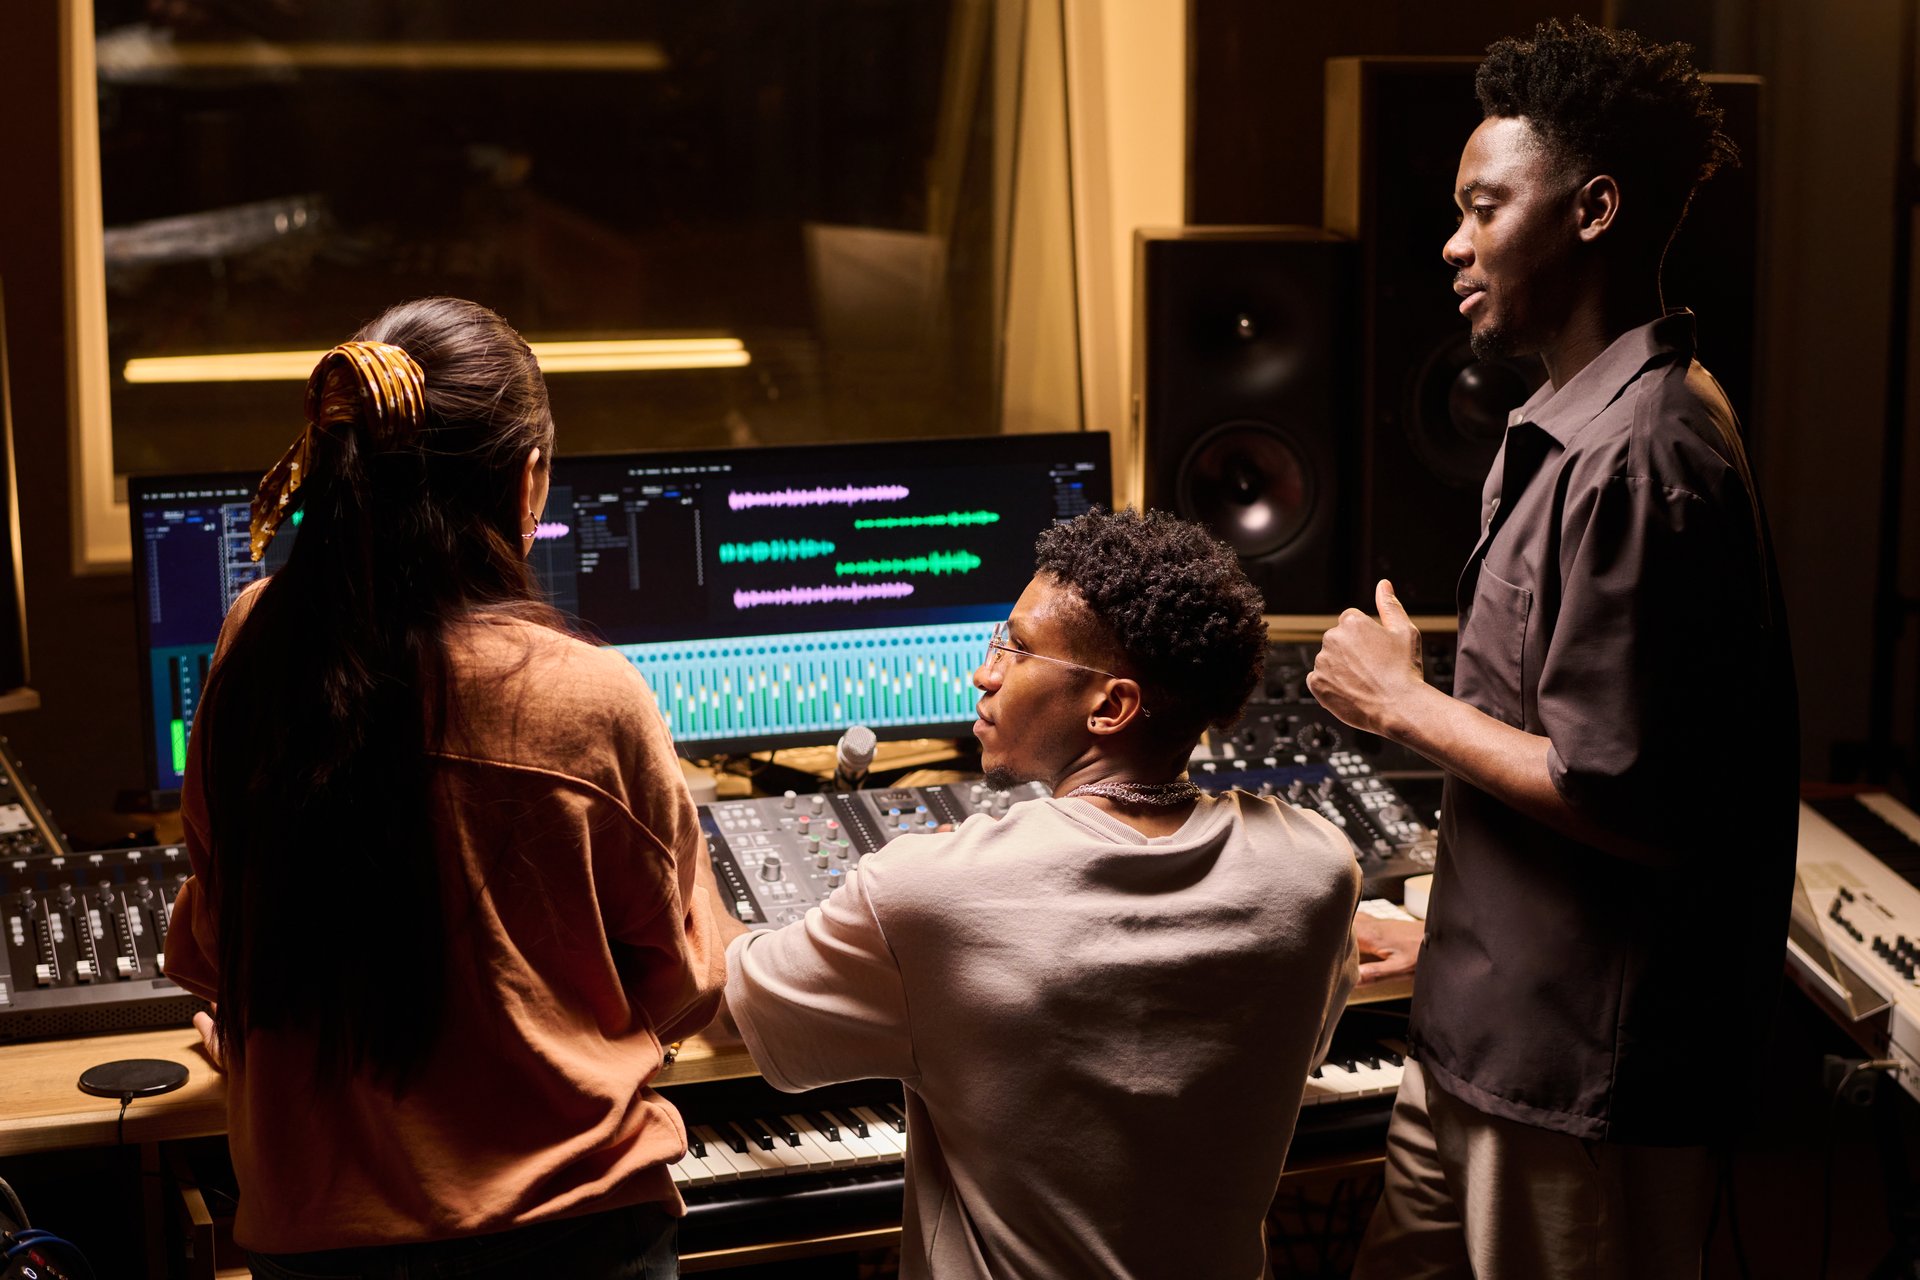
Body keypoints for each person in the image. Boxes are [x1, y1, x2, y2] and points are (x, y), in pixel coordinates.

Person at [1310, 20, 1798, 1279]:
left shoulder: (1645, 455)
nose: (1453, 243)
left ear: (1592, 210)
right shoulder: (1573, 423)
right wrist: (1453, 927)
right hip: (1478, 1023)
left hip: (1572, 1076)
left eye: (1484, 209)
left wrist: (1399, 703)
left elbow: (1628, 793)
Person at [164, 297, 740, 1278]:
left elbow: (217, 944)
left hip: (319, 1245)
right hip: (576, 1238)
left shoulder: (253, 644)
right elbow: (686, 984)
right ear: (527, 478)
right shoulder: (594, 695)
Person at [722, 507, 1361, 1279]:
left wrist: (669, 818)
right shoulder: (1317, 866)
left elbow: (728, 999)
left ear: (1111, 707)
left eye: (1018, 649)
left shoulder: (933, 889)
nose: (985, 673)